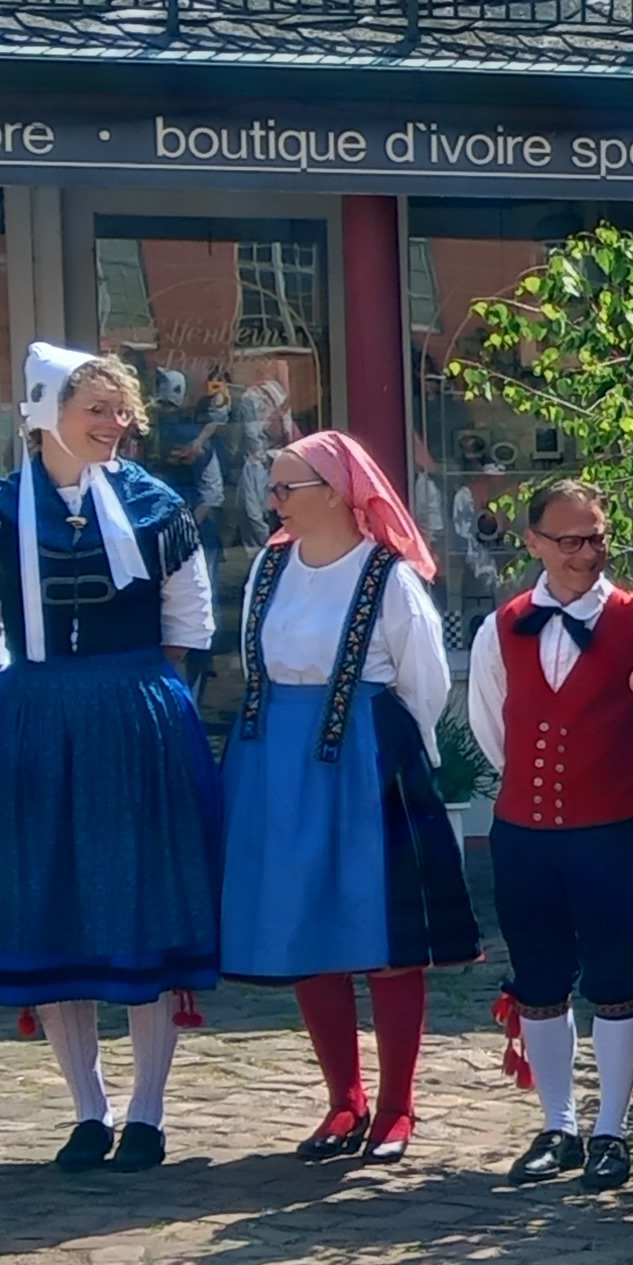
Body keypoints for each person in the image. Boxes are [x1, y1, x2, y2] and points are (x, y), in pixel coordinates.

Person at [0, 346, 221, 1171]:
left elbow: (188, 625)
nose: (116, 424)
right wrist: (50, 703)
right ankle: (88, 1110)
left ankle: (149, 1113)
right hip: (35, 719)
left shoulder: (155, 504)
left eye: (122, 409)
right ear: (43, 412)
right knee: (49, 904)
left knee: (142, 905)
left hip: (134, 718)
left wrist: (123, 698)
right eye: (96, 407)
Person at [219, 430, 480, 1164]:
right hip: (281, 762)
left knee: (385, 935)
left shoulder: (387, 577)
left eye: (285, 488)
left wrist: (405, 764)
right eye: (271, 488)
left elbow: (423, 682)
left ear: (335, 492)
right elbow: (255, 664)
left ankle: (396, 1106)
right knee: (309, 931)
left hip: (367, 761)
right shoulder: (271, 567)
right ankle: (344, 1102)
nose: (273, 502)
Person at [467, 477, 633, 1191]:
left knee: (615, 973)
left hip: (611, 831)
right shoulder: (503, 625)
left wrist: (617, 788)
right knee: (538, 978)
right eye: (571, 540)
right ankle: (559, 1125)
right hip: (524, 834)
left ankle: (612, 1129)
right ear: (535, 543)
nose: (588, 553)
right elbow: (494, 728)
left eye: (598, 537)